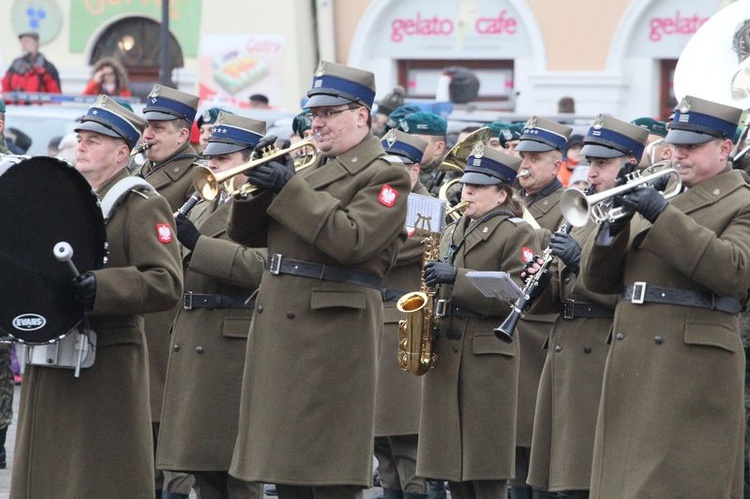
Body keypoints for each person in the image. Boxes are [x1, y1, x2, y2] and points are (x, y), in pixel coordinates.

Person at [227, 60, 411, 499]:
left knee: (326, 471)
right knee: (287, 468)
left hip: (331, 333)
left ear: (361, 115)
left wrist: (288, 188)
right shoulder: (308, 169)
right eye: (315, 114)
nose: (318, 123)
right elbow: (246, 236)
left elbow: (354, 241)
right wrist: (257, 187)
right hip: (284, 327)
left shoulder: (385, 174)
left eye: (329, 113)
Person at [10, 95, 182, 497]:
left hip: (106, 360)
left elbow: (166, 281)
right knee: (48, 475)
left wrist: (104, 287)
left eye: (95, 140)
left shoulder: (142, 204)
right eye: (81, 137)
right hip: (53, 350)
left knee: (96, 476)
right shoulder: (65, 199)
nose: (82, 145)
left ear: (123, 152)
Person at [582, 95, 750, 497]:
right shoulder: (662, 193)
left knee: (678, 483)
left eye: (692, 146)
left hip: (689, 363)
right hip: (633, 355)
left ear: (725, 148)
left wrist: (661, 214)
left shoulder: (741, 201)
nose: (679, 154)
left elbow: (734, 272)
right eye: (675, 144)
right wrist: (613, 227)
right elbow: (599, 282)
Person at [525, 114, 649, 498]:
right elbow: (552, 302)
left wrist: (580, 263)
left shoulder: (640, 219)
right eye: (590, 163)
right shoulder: (584, 215)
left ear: (630, 165)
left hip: (601, 350)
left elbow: (630, 294)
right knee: (557, 478)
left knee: (583, 478)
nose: (591, 173)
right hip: (564, 350)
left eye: (602, 164)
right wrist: (540, 281)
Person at [416, 146, 540, 499]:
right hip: (448, 348)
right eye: (466, 183)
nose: (466, 191)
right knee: (451, 465)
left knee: (485, 470)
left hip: (486, 355)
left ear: (502, 193)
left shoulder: (516, 232)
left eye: (478, 186)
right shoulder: (454, 228)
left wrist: (458, 278)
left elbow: (518, 296)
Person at [157, 113, 268, 499]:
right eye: (211, 157)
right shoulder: (206, 200)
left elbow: (262, 267)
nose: (213, 166)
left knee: (237, 471)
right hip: (195, 333)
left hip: (233, 340)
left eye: (224, 160)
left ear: (251, 159)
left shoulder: (264, 204)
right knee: (203, 467)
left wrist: (198, 244)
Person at [136, 83, 201, 499]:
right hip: (142, 309)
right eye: (147, 127)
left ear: (183, 134)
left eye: (158, 128)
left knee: (164, 418)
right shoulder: (141, 171)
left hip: (167, 313)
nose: (148, 135)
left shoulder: (195, 175)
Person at [509, 116, 572, 499]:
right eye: (522, 156)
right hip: (513, 331)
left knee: (539, 448)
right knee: (514, 450)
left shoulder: (569, 205)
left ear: (556, 163)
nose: (525, 165)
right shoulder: (515, 201)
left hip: (542, 333)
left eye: (535, 157)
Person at [374, 129, 430, 499]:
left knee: (407, 439)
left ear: (414, 170)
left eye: (396, 167)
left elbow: (387, 250)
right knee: (381, 442)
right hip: (375, 317)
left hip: (403, 322)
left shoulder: (427, 208)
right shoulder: (381, 201)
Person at [395, 111, 447, 194]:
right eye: (406, 141)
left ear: (439, 147)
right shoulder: (399, 170)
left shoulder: (448, 184)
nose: (408, 147)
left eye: (416, 141)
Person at [2, 31, 61, 101]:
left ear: (36, 43)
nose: (23, 45)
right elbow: (5, 91)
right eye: (22, 42)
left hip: (38, 110)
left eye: (27, 41)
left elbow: (55, 96)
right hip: (16, 110)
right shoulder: (14, 66)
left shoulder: (47, 68)